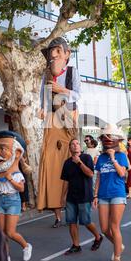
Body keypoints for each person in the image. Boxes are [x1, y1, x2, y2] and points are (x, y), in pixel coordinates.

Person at [37, 37, 81, 228]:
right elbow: (42, 95)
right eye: (51, 53)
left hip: (68, 117)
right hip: (51, 119)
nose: (53, 56)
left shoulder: (72, 72)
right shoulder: (46, 74)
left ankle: (75, 206)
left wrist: (61, 89)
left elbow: (78, 94)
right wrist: (42, 108)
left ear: (66, 54)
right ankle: (56, 213)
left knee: (71, 163)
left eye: (57, 51)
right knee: (51, 163)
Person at [0, 130, 32, 261]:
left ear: (17, 153)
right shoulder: (0, 173)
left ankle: (26, 246)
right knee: (2, 233)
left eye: (2, 148)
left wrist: (10, 179)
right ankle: (5, 256)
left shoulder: (16, 174)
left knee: (10, 232)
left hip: (13, 200)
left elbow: (21, 188)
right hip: (1, 199)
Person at [61, 138, 103, 255]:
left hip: (84, 195)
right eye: (72, 144)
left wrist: (79, 162)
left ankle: (98, 237)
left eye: (77, 144)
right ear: (70, 148)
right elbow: (65, 181)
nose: (75, 146)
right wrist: (62, 197)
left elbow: (90, 174)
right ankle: (76, 245)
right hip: (71, 197)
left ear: (80, 147)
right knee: (71, 221)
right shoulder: (67, 162)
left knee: (85, 221)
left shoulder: (86, 158)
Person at [93, 124, 128, 261]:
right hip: (102, 195)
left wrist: (113, 158)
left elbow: (122, 174)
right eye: (105, 137)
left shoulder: (121, 156)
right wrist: (95, 195)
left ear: (117, 140)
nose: (108, 139)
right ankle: (119, 246)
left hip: (117, 194)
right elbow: (99, 178)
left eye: (111, 137)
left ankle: (117, 257)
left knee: (114, 227)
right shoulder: (100, 158)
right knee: (104, 229)